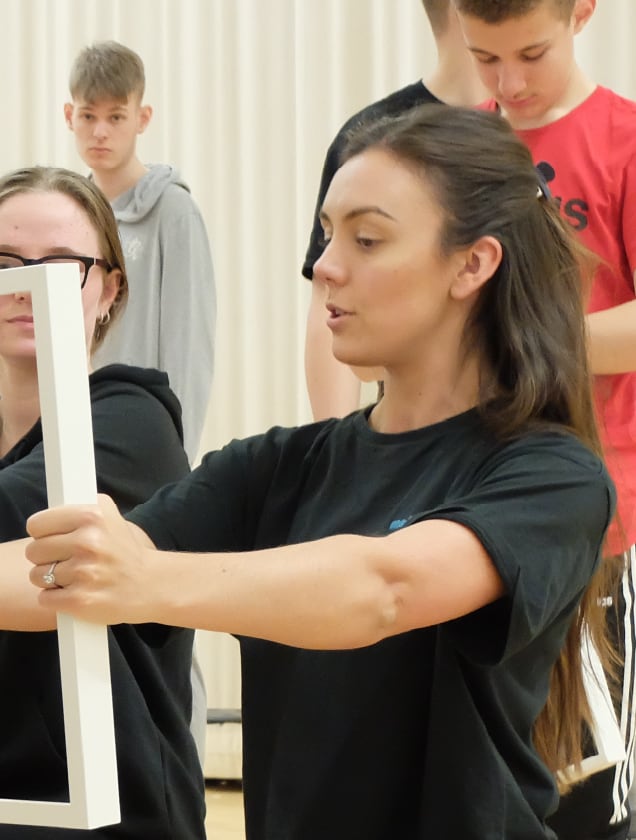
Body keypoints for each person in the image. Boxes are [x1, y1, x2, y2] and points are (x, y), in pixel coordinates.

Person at [25, 106, 620, 839]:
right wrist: (99, 569)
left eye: (367, 239)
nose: (325, 265)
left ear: (473, 264)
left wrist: (143, 580)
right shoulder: (275, 468)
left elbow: (383, 588)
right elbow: (65, 574)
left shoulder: (551, 477)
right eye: (329, 235)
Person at [450, 2, 636, 837]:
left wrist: (522, 349)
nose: (509, 83)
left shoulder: (625, 142)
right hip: (468, 503)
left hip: (599, 510)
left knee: (589, 783)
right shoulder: (456, 153)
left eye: (531, 52)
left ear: (582, 13)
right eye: (485, 58)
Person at [0, 167, 205, 839]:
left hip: (116, 814)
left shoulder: (131, 418)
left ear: (110, 287)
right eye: (6, 263)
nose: (27, 287)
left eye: (62, 265)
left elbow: (19, 515)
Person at [303, 0, 487, 420]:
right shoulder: (374, 139)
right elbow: (327, 297)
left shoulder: (584, 133)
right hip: (415, 432)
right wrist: (335, 449)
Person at [64, 40, 216, 464]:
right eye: (88, 115)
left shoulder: (174, 211)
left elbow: (189, 346)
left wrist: (176, 456)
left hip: (148, 440)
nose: (100, 131)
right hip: (75, 437)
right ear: (68, 116)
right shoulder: (70, 215)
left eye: (116, 117)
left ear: (142, 118)